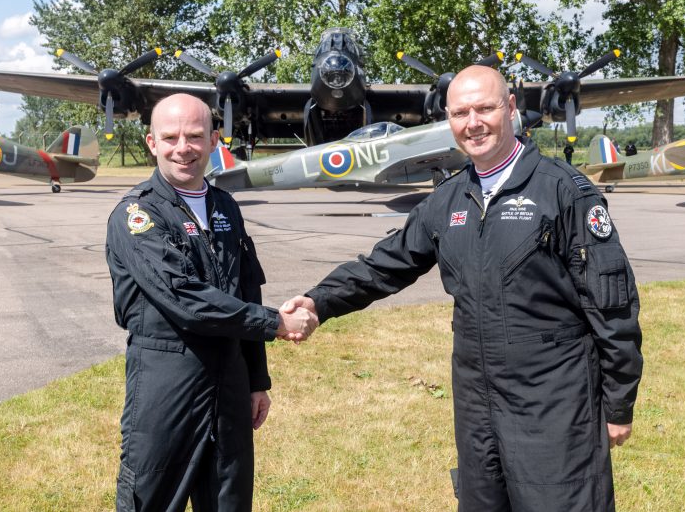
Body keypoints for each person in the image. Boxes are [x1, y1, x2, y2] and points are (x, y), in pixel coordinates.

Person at [283, 66, 642, 511]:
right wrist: (319, 301)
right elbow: (385, 265)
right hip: (477, 404)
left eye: (485, 108)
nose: (473, 122)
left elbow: (612, 305)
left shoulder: (565, 192)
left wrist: (618, 403)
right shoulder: (448, 200)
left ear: (511, 109)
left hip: (555, 401)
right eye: (460, 112)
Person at [105, 93, 317, 511]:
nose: (182, 148)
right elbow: (185, 299)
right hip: (168, 378)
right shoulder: (137, 214)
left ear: (214, 140)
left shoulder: (225, 206)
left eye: (195, 136)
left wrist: (257, 380)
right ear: (152, 143)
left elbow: (245, 288)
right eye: (170, 137)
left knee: (229, 499)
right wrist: (274, 323)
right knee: (151, 499)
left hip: (230, 380)